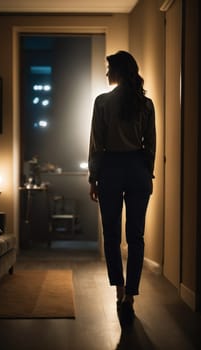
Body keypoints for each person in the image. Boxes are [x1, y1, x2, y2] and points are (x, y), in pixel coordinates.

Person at [88, 50, 156, 327]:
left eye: (108, 69)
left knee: (112, 235)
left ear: (117, 72)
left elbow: (96, 144)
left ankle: (119, 291)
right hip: (138, 168)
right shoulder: (146, 104)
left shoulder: (102, 102)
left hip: (111, 169)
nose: (106, 74)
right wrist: (147, 174)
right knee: (136, 237)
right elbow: (150, 144)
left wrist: (93, 177)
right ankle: (131, 296)